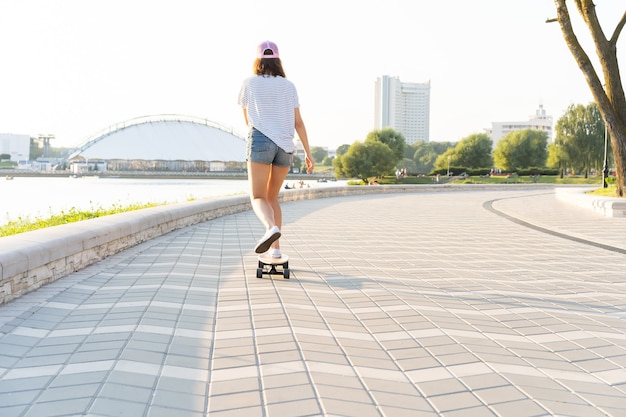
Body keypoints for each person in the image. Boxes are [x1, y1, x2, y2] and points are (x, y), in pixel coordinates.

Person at [238, 40, 314, 258]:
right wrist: (308, 153)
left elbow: (246, 119)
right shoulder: (289, 86)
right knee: (273, 198)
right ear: (277, 60)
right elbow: (298, 122)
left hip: (261, 140)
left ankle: (270, 228)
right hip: (285, 146)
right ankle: (276, 250)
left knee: (258, 197)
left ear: (258, 60)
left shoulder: (248, 83)